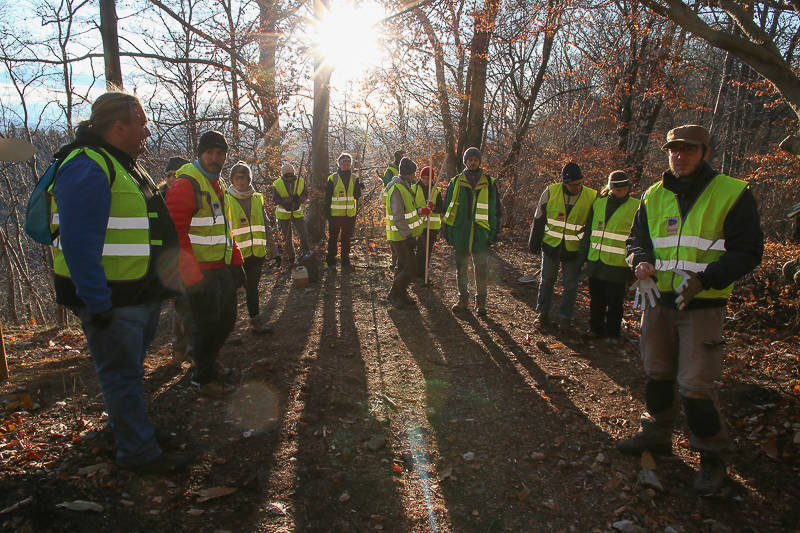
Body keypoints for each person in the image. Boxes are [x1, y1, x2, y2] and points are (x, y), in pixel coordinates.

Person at [619, 124, 764, 494]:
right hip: (658, 301)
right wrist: (639, 262)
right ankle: (656, 433)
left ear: (705, 151)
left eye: (688, 149)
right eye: (673, 149)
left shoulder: (731, 193)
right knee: (657, 372)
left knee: (696, 385)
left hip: (703, 304)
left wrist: (708, 279)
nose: (679, 156)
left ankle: (713, 457)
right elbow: (637, 239)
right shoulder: (653, 195)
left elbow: (748, 250)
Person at [49, 91, 187, 474]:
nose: (146, 131)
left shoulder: (123, 164)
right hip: (113, 300)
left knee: (130, 372)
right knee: (122, 376)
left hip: (137, 294)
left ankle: (131, 432)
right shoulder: (86, 166)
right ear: (117, 126)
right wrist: (97, 302)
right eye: (140, 122)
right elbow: (77, 242)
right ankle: (138, 453)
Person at [166, 130, 245, 398]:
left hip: (219, 268)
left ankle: (210, 364)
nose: (215, 158)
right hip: (199, 272)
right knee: (205, 325)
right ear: (200, 154)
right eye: (210, 152)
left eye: (220, 153)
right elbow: (175, 234)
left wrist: (236, 261)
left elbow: (224, 229)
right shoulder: (187, 184)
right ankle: (203, 378)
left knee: (225, 320)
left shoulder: (217, 183)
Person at [528, 162, 597, 330]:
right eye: (573, 185)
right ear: (564, 182)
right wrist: (534, 242)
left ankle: (565, 319)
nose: (576, 187)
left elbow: (592, 227)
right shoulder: (551, 191)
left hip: (573, 250)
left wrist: (587, 252)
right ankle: (542, 314)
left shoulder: (592, 196)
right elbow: (539, 218)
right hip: (551, 246)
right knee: (547, 280)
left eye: (579, 183)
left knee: (571, 285)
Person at [442, 147, 501, 317]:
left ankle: (481, 303)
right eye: (470, 159)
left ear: (479, 162)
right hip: (461, 233)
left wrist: (494, 233)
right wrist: (447, 231)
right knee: (461, 269)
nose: (473, 162)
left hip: (481, 234)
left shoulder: (490, 183)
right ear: (465, 162)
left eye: (476, 159)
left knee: (481, 269)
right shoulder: (455, 182)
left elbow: (496, 210)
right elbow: (448, 209)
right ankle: (463, 300)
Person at [583, 170, 639, 342]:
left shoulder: (636, 206)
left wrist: (634, 264)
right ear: (610, 187)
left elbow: (638, 236)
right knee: (596, 299)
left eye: (623, 188)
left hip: (618, 263)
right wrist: (584, 257)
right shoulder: (598, 203)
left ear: (628, 188)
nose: (620, 192)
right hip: (596, 260)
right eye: (616, 189)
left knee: (615, 302)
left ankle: (613, 333)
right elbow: (588, 231)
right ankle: (595, 329)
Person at [226, 161, 280, 333]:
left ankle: (256, 322)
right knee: (231, 292)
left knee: (252, 290)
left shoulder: (257, 199)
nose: (241, 181)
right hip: (235, 256)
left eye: (244, 177)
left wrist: (275, 252)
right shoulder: (226, 199)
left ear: (249, 179)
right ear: (232, 179)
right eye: (237, 178)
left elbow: (266, 226)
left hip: (256, 254)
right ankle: (229, 330)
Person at [163, 156, 191, 362]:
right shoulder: (158, 197)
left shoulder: (191, 194)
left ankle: (181, 349)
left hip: (190, 258)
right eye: (169, 175)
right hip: (171, 261)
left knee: (185, 305)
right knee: (183, 306)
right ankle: (183, 349)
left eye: (176, 174)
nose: (172, 178)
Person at [385, 157, 423, 307]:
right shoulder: (397, 189)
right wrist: (408, 235)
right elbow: (398, 216)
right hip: (400, 236)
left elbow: (409, 211)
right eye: (413, 172)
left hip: (404, 234)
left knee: (402, 266)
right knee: (410, 267)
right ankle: (394, 295)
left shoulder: (406, 186)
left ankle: (400, 294)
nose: (415, 176)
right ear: (408, 173)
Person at [324, 152, 362, 271]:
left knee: (346, 239)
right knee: (333, 238)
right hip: (335, 215)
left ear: (350, 164)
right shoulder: (333, 178)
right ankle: (331, 262)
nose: (345, 165)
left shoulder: (355, 178)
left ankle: (345, 262)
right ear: (339, 164)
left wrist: (360, 187)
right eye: (343, 164)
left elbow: (356, 196)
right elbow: (327, 197)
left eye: (347, 163)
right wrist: (327, 213)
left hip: (349, 214)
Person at [272, 162, 310, 264]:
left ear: (293, 174)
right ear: (282, 175)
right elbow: (275, 199)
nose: (289, 177)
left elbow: (305, 194)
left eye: (290, 175)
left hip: (297, 213)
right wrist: (288, 201)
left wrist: (299, 199)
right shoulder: (277, 183)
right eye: (286, 175)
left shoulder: (300, 181)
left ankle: (305, 254)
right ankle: (291, 258)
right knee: (287, 238)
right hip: (283, 215)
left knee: (303, 234)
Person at [412, 165, 444, 282]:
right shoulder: (414, 188)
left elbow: (441, 208)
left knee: (427, 251)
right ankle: (416, 273)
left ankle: (423, 274)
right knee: (420, 249)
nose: (426, 180)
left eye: (428, 178)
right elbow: (410, 207)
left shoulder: (436, 190)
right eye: (424, 178)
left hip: (432, 226)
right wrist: (420, 210)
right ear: (420, 177)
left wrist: (433, 207)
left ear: (432, 179)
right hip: (418, 224)